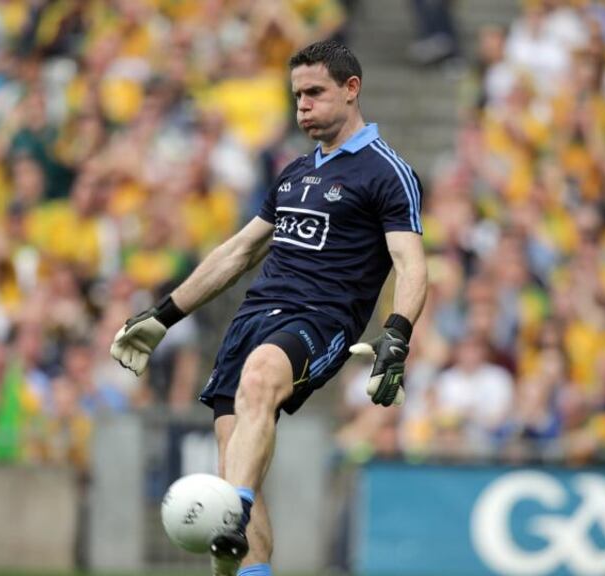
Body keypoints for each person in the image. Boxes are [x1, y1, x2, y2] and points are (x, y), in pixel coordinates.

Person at [109, 40, 427, 576]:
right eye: (297, 94)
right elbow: (238, 252)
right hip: (252, 319)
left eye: (315, 92)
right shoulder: (293, 172)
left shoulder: (387, 171)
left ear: (352, 90)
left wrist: (396, 334)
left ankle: (231, 511)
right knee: (237, 457)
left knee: (257, 387)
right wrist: (162, 316)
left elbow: (411, 263)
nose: (302, 105)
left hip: (319, 320)